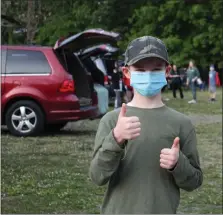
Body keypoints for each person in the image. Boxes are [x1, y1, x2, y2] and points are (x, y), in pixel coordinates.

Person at [89, 36, 203, 214]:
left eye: (156, 69)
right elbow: (97, 176)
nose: (148, 75)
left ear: (166, 71)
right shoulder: (112, 121)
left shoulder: (181, 124)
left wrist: (177, 164)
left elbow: (194, 181)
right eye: (140, 70)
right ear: (127, 72)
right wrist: (116, 138)